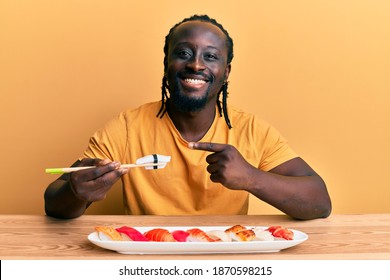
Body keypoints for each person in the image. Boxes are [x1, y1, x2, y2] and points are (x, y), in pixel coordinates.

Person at [44, 14, 331, 220]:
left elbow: (319, 202)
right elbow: (54, 203)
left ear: (226, 72)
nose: (195, 64)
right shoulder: (127, 127)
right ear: (167, 63)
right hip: (150, 262)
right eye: (183, 53)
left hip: (228, 262)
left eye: (210, 57)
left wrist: (251, 178)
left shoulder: (252, 130)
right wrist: (77, 191)